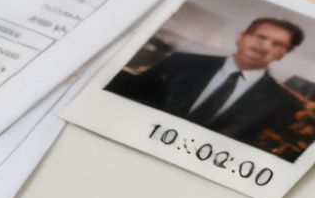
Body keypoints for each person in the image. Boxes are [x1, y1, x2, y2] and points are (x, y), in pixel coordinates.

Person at [109, 16, 308, 151]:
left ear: (283, 54)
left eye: (277, 44)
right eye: (261, 37)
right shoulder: (179, 62)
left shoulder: (288, 105)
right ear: (242, 37)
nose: (264, 46)